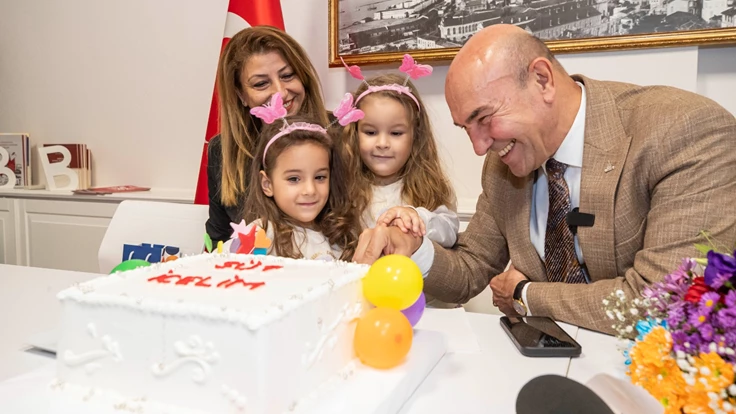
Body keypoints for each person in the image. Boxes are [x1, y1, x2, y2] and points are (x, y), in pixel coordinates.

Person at [352, 24, 736, 334]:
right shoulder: (503, 166)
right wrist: (411, 248)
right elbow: (470, 270)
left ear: (542, 79)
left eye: (484, 118)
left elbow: (662, 303)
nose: (479, 147)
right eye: (466, 128)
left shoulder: (683, 130)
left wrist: (525, 294)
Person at [206, 26, 330, 246]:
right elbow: (219, 240)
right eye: (261, 84)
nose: (280, 92)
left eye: (288, 75)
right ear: (241, 95)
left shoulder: (343, 132)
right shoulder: (222, 151)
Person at [229, 94, 361, 261]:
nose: (310, 190)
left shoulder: (342, 232)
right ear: (267, 184)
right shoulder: (257, 236)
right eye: (294, 179)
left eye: (320, 177)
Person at [343, 71, 459, 248]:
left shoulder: (430, 188)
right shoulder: (345, 188)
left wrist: (417, 218)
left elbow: (449, 231)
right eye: (371, 132)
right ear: (355, 133)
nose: (382, 143)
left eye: (396, 133)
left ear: (415, 135)